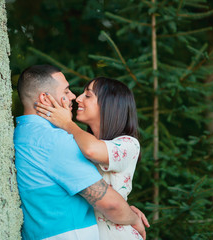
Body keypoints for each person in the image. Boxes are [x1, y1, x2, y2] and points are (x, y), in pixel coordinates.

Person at [14, 65, 149, 240]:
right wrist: (132, 217)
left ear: (107, 105)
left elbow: (94, 153)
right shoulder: (57, 141)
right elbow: (110, 204)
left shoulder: (22, 134)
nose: (75, 97)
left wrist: (68, 125)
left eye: (87, 95)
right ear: (45, 99)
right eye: (67, 90)